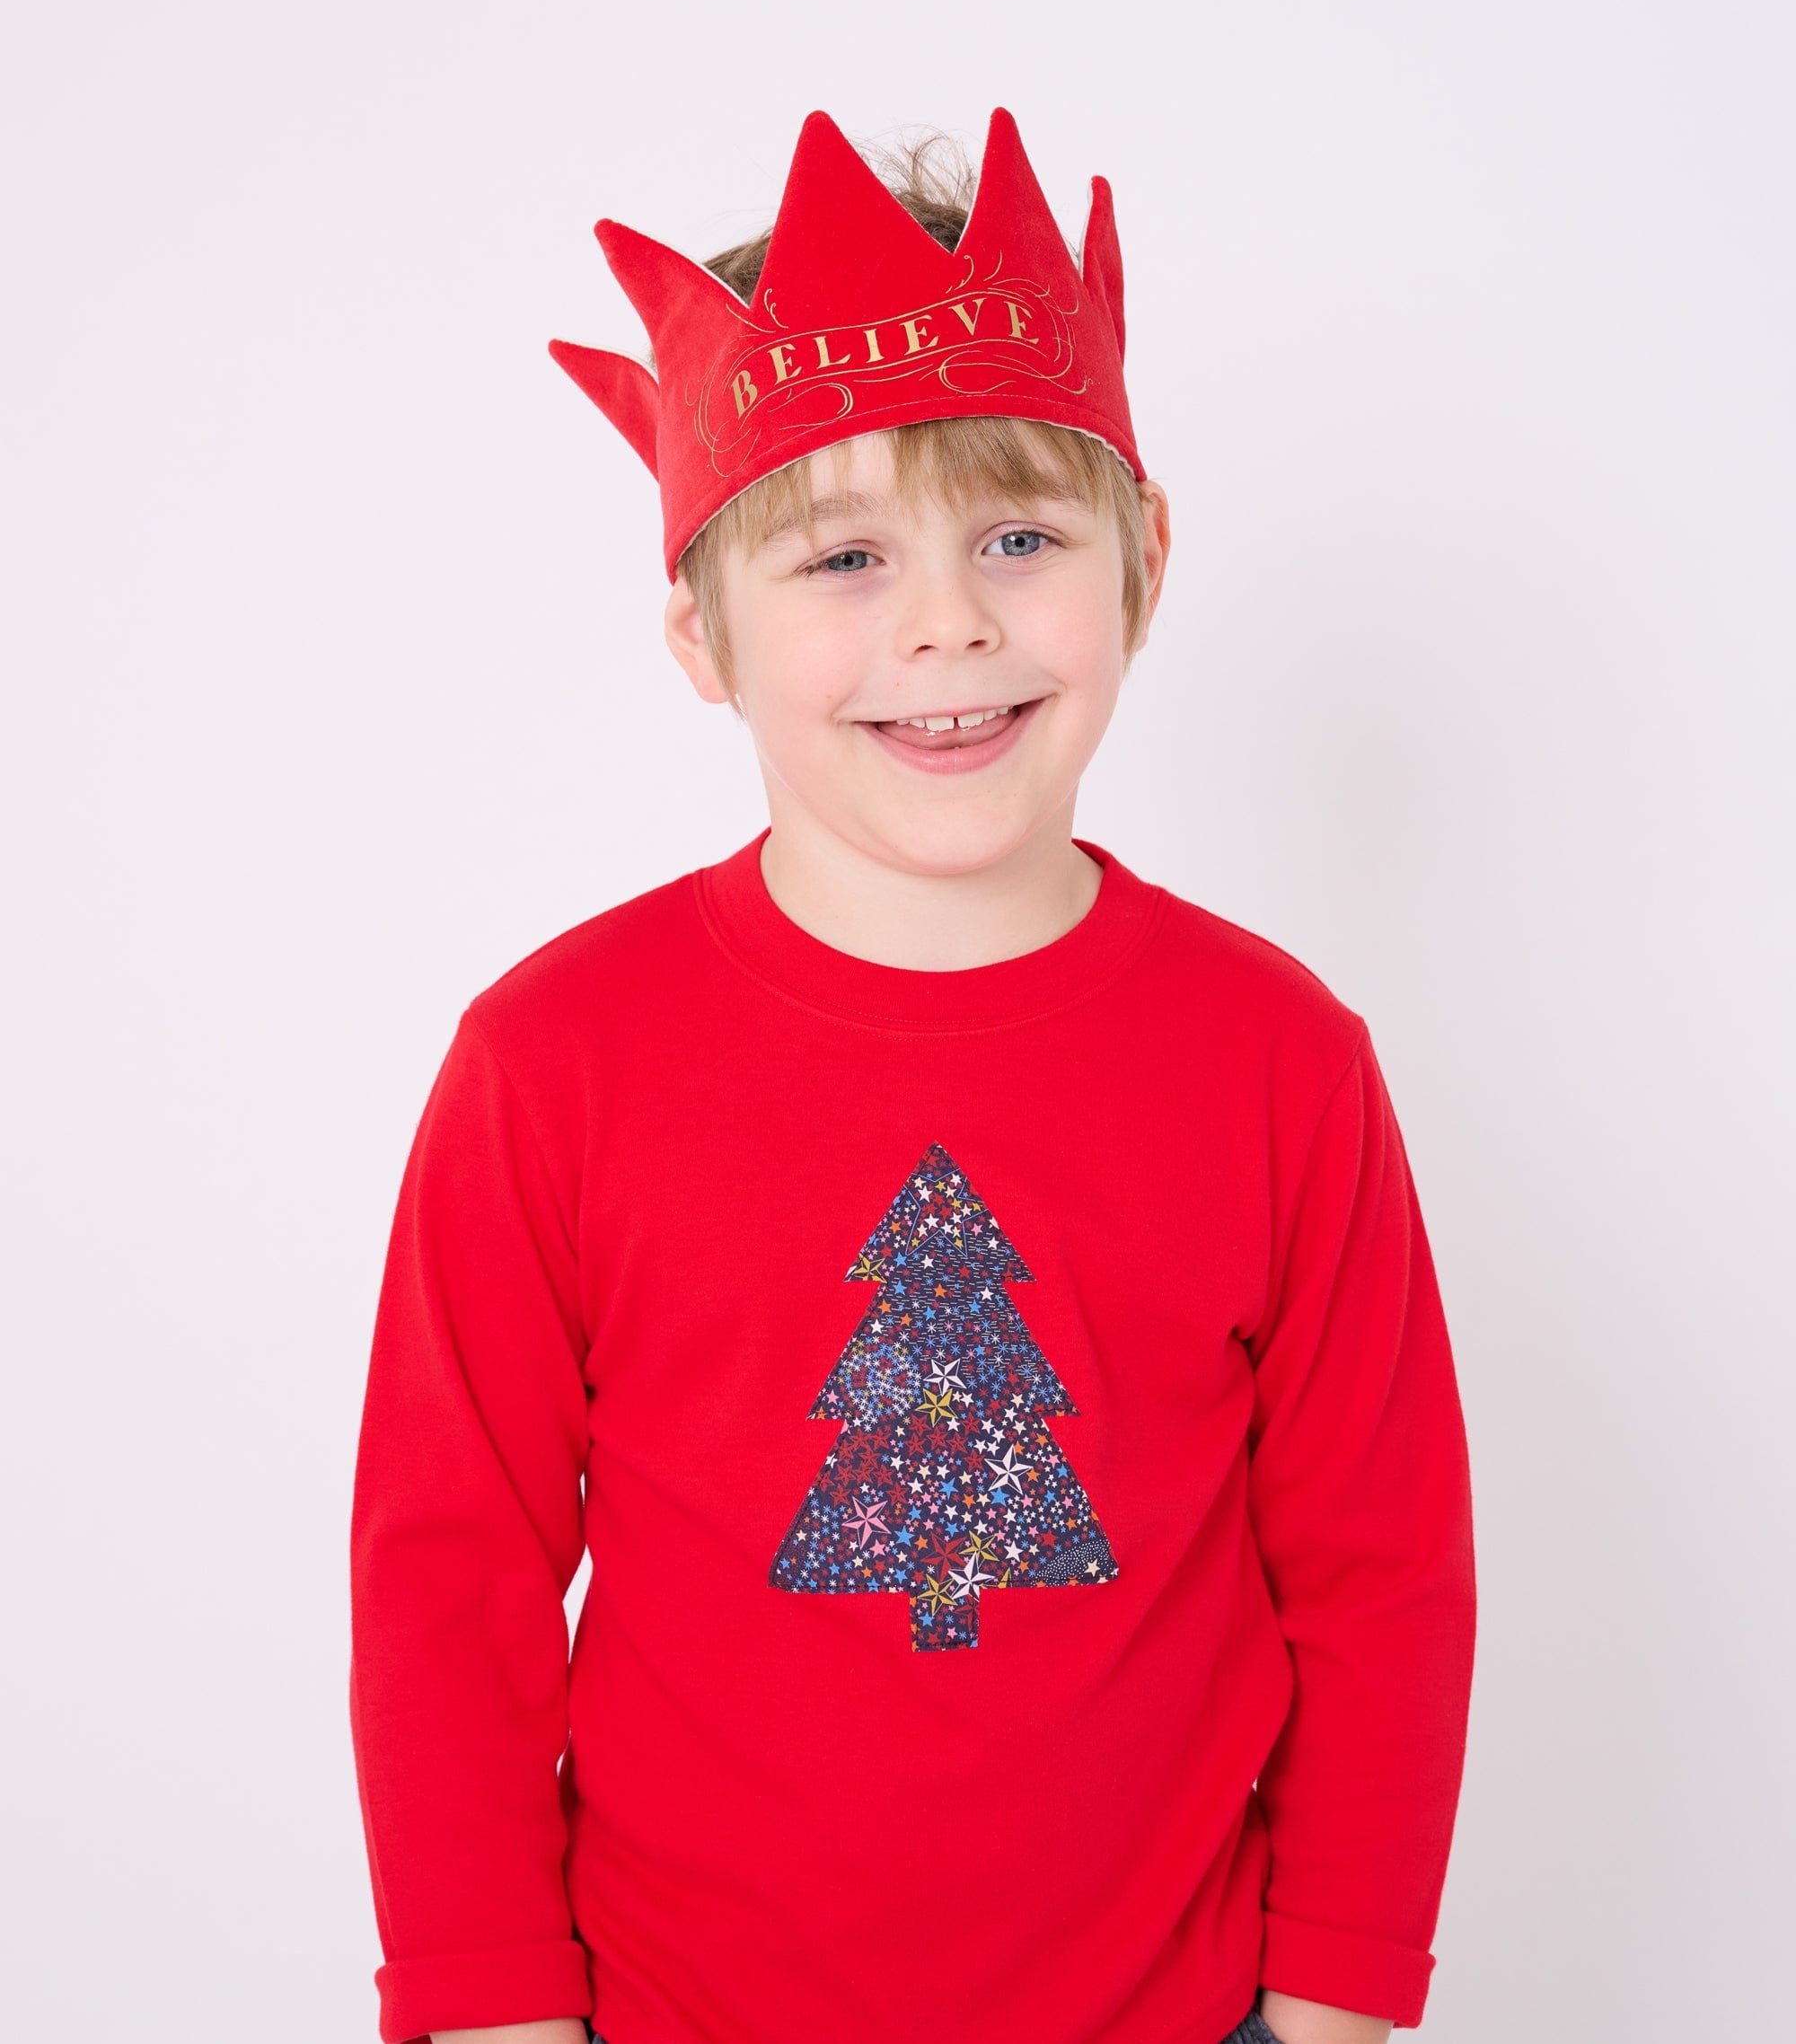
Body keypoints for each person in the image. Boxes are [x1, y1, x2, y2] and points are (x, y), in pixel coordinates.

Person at [348, 106, 1477, 2044]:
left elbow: (1383, 1573)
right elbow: (448, 1588)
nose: (945, 619)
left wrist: (1334, 2003)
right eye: (844, 554)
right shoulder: (549, 1063)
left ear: (1145, 564)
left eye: (1019, 535)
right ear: (700, 632)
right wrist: (498, 2012)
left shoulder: (1281, 1056)